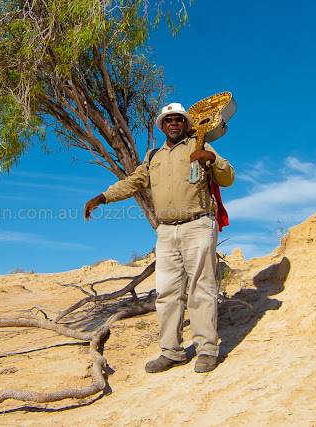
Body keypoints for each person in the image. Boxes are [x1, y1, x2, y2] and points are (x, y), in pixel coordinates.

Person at [83, 102, 235, 373]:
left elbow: (228, 178)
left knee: (201, 289)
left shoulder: (200, 145)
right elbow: (132, 182)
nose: (174, 123)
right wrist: (103, 197)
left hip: (198, 225)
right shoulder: (153, 156)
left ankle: (206, 350)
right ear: (162, 126)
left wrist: (212, 160)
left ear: (186, 123)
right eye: (168, 120)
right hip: (166, 231)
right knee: (166, 292)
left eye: (179, 119)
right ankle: (171, 352)